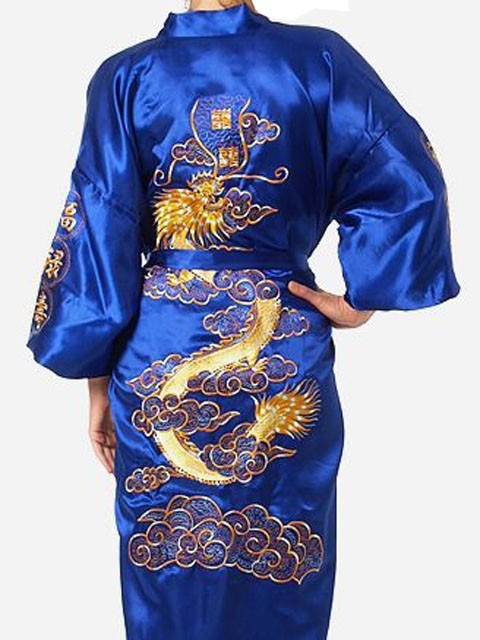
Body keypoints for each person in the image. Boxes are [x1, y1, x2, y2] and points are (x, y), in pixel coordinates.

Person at [26, 1, 461, 638]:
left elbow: (100, 235)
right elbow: (406, 171)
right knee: (284, 575)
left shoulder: (128, 76)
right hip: (283, 344)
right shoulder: (317, 59)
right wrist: (363, 297)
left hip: (158, 351)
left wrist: (96, 384)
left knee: (170, 576)